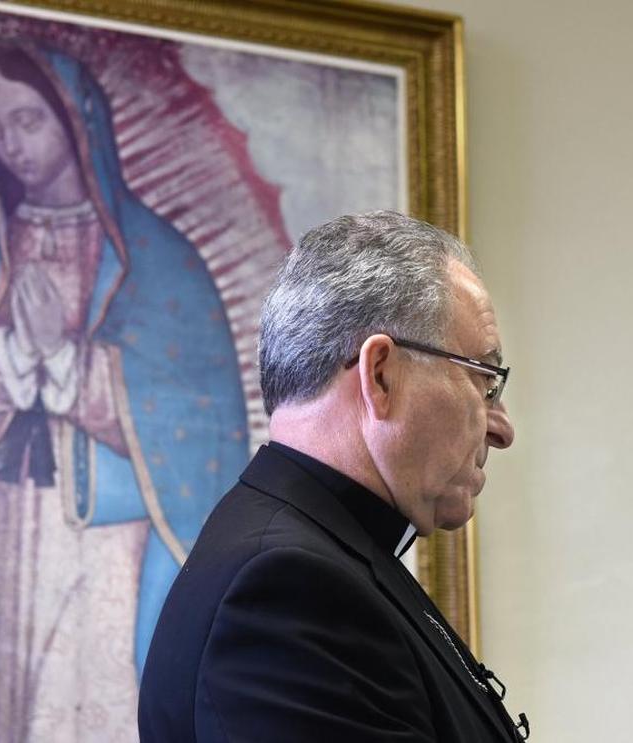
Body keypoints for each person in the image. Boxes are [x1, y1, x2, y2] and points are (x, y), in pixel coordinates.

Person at [0, 39, 248, 742]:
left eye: (29, 121)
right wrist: (7, 358)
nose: (14, 146)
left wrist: (72, 367)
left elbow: (201, 431)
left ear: (76, 119)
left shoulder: (162, 263)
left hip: (101, 547)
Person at [139, 211, 530, 741]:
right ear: (380, 375)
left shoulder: (326, 551)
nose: (501, 429)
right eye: (485, 380)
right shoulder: (289, 591)